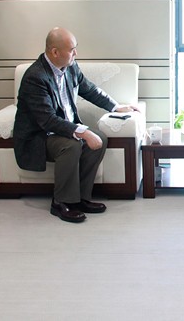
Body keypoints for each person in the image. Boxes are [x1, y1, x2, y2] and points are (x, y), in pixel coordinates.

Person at [13, 27, 139, 223]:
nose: (76, 53)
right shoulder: (35, 77)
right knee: (71, 145)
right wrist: (83, 133)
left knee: (100, 139)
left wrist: (116, 106)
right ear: (55, 52)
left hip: (62, 130)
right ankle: (60, 202)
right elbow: (48, 120)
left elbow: (89, 89)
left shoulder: (70, 67)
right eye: (72, 49)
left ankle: (80, 198)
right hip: (40, 136)